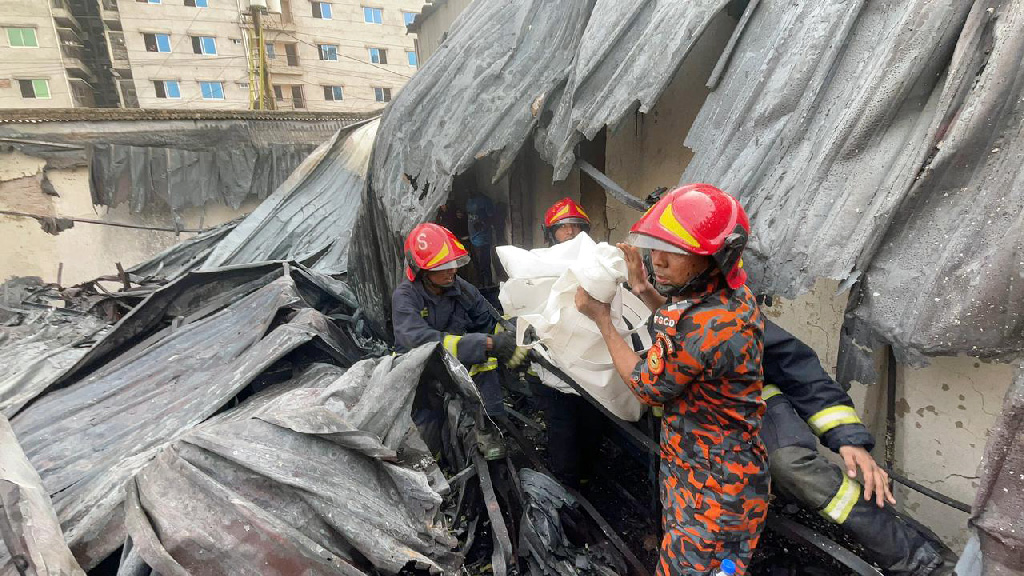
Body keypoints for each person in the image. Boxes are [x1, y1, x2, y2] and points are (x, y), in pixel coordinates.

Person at [576, 184, 769, 575]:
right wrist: (646, 291)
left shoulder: (705, 323)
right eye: (657, 245)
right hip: (715, 470)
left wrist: (602, 320)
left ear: (715, 257)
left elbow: (646, 384)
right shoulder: (729, 298)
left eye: (676, 251)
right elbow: (683, 332)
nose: (658, 260)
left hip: (712, 491)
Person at [761, 322, 954, 576]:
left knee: (793, 467)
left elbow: (794, 366)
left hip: (747, 401)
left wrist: (847, 437)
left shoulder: (724, 302)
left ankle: (921, 561)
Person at [392, 222, 525, 459]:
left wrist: (512, 334)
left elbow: (487, 318)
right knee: (422, 445)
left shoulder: (460, 289)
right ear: (421, 270)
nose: (451, 270)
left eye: (453, 263)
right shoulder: (405, 297)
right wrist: (484, 344)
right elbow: (419, 342)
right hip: (420, 375)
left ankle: (490, 427)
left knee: (486, 363)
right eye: (442, 266)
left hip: (457, 368)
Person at [466, 193, 496, 286]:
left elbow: (491, 217)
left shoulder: (484, 201)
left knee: (484, 263)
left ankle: (487, 284)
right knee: (479, 264)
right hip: (475, 239)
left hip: (482, 240)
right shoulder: (469, 202)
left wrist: (483, 225)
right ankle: (483, 283)